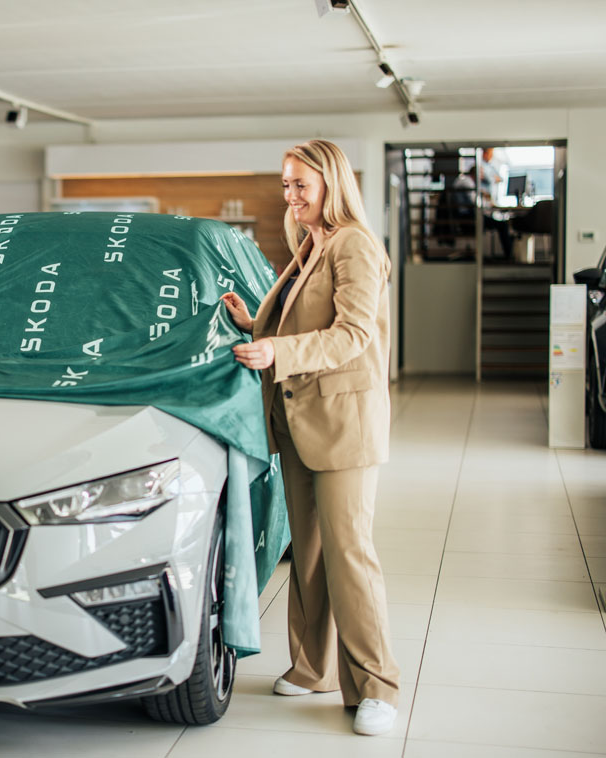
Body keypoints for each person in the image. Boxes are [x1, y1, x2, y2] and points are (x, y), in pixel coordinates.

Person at [221, 139, 400, 736]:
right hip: (300, 420)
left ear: (332, 183)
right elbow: (306, 319)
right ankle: (312, 667)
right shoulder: (310, 244)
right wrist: (255, 323)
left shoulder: (354, 243)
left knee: (349, 556)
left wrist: (277, 351)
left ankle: (377, 687)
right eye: (286, 185)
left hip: (343, 422)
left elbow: (352, 334)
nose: (291, 195)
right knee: (310, 553)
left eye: (302, 184)